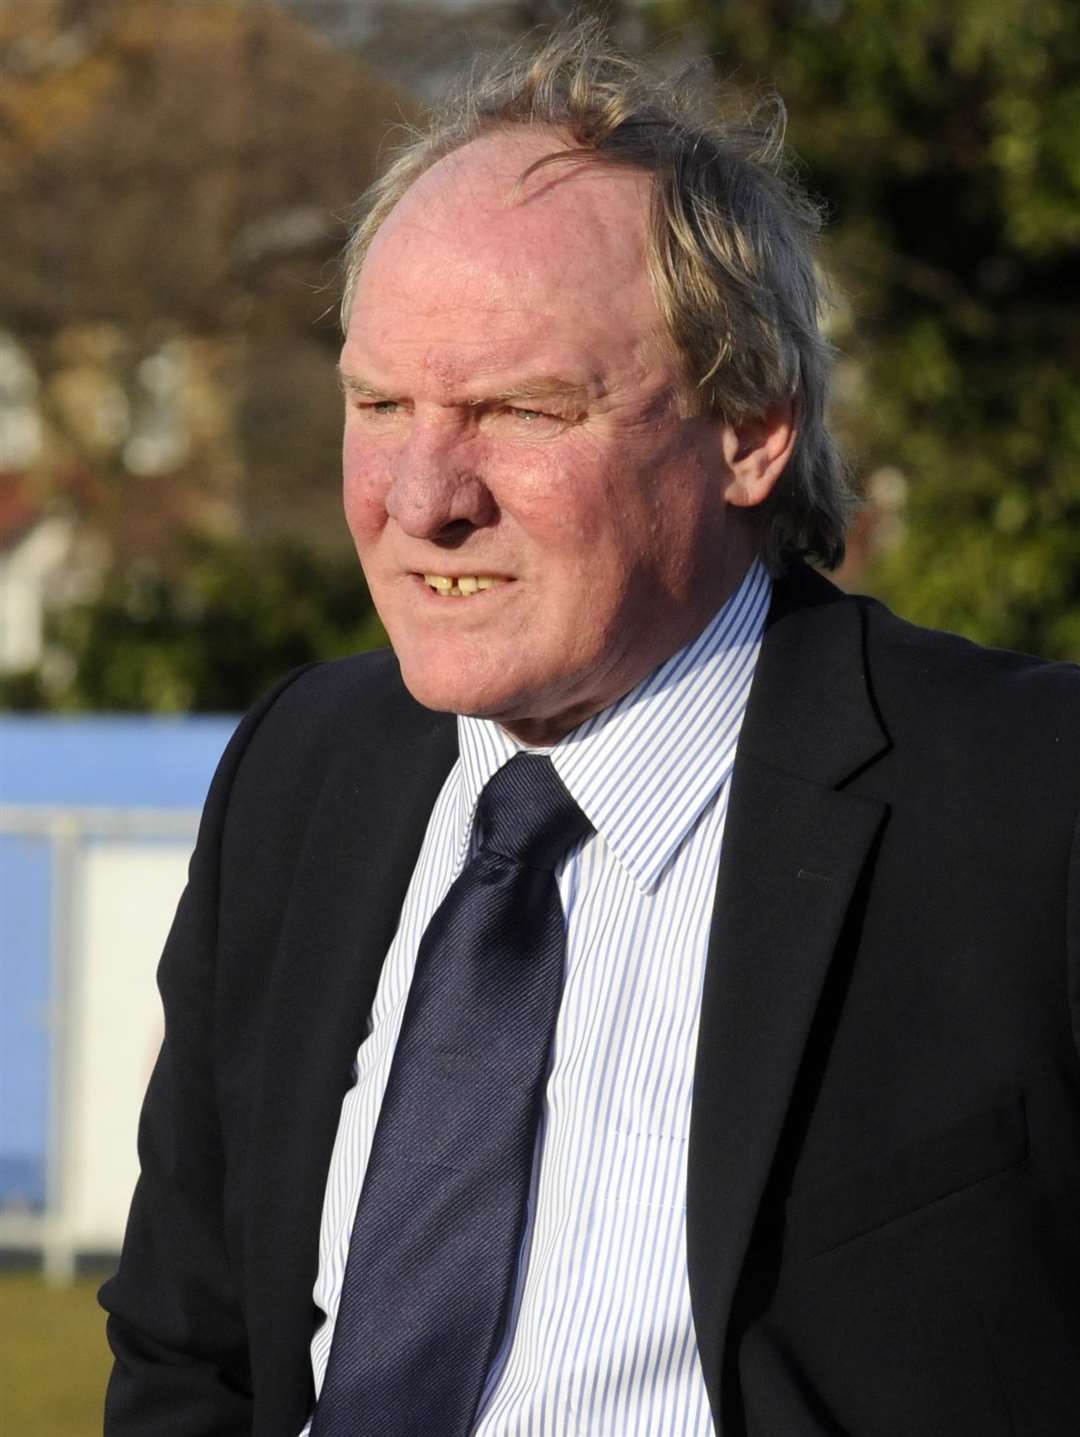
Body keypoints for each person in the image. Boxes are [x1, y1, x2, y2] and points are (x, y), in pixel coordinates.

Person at [100, 22, 1080, 1437]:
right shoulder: (305, 772)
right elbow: (191, 1352)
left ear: (753, 429)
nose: (421, 492)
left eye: (518, 409)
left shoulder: (1025, 805)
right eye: (379, 403)